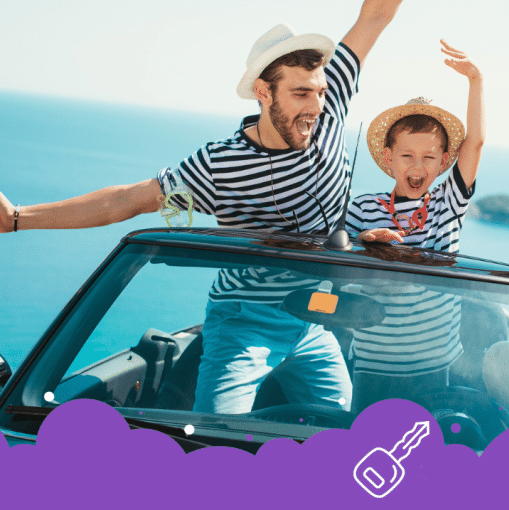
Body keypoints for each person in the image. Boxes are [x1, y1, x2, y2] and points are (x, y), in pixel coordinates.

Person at [0, 0, 405, 414]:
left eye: (319, 92)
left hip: (314, 318)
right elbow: (127, 201)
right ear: (264, 92)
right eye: (301, 93)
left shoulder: (327, 102)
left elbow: (375, 14)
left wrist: (358, 237)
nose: (317, 106)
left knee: (341, 433)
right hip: (245, 319)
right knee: (216, 440)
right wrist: (16, 219)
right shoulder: (219, 164)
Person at [344, 41, 485, 411]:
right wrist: (364, 241)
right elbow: (337, 265)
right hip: (372, 366)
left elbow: (477, 142)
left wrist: (476, 80)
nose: (417, 166)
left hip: (434, 367)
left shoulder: (447, 204)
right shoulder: (361, 207)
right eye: (407, 155)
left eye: (428, 157)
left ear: (443, 163)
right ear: (389, 159)